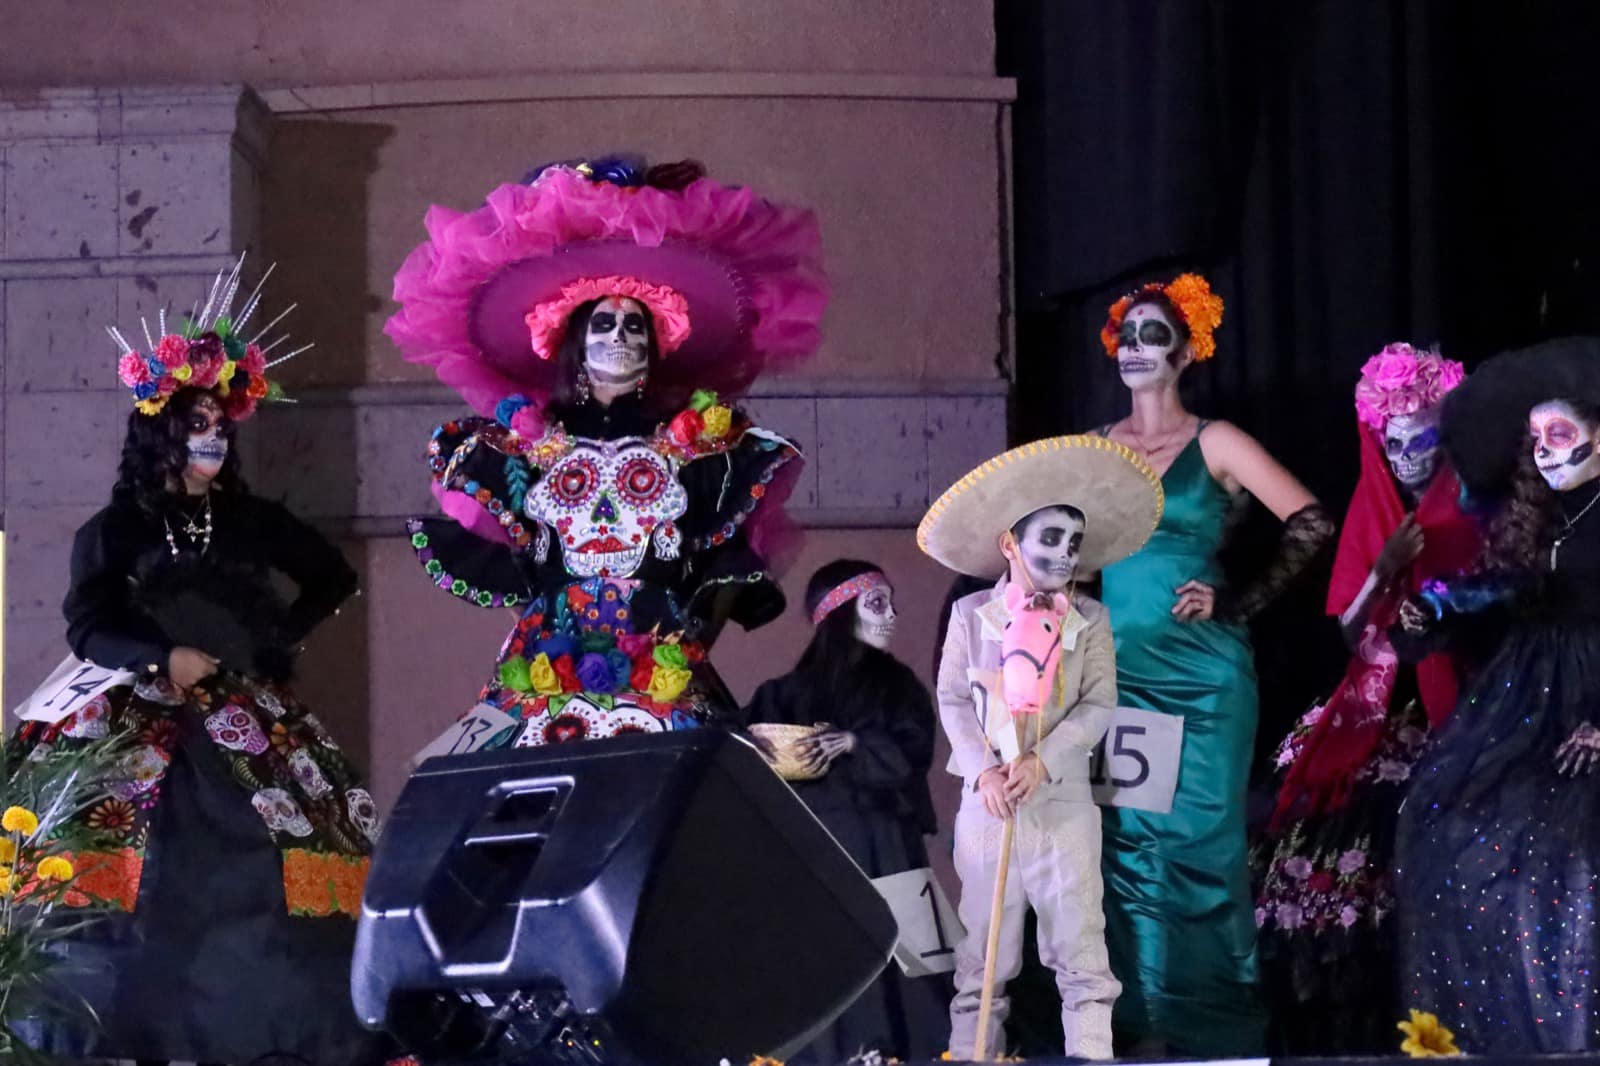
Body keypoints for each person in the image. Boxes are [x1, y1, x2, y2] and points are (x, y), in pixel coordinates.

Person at [10, 266, 387, 1065]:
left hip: (240, 714)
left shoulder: (252, 520)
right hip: (130, 719)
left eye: (220, 423)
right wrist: (161, 656)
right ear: (161, 432)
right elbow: (87, 625)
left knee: (272, 856)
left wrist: (271, 643)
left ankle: (267, 1035)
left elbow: (332, 577)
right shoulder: (116, 528)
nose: (213, 437)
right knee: (117, 868)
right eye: (197, 423)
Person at [385, 157, 826, 746]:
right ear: (573, 340)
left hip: (663, 667)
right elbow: (515, 567)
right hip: (547, 666)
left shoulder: (704, 450)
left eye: (635, 326)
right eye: (603, 325)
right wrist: (547, 622)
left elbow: (723, 569)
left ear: (656, 344)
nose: (619, 336)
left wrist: (685, 647)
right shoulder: (523, 445)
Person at [1091, 272, 1334, 1055]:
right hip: (1122, 675)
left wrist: (1235, 601)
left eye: (1153, 335)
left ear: (1186, 352)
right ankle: (1142, 1025)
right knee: (1129, 844)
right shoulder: (1095, 448)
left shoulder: (1216, 441)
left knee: (1200, 846)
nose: (1136, 348)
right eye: (1127, 336)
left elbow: (1311, 521)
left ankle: (1216, 1030)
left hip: (1204, 679)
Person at [1251, 344, 1480, 1053]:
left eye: (1422, 442)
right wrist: (1384, 570)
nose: (1407, 458)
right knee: (1340, 865)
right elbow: (1352, 633)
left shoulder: (1478, 499)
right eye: (1395, 444)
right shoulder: (1374, 505)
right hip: (1381, 701)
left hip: (1463, 698)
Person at [919, 433, 1165, 1059]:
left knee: (1082, 951)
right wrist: (984, 773)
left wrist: (1043, 760)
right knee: (982, 957)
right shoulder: (970, 615)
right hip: (990, 808)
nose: (1064, 553)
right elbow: (952, 697)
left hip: (1062, 807)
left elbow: (1099, 703)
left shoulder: (1092, 621)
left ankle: (1091, 1055)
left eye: (1073, 542)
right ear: (1011, 543)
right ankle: (972, 1055)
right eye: (1050, 538)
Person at [1394, 337, 1600, 1053]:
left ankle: (1575, 1039)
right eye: (1534, 437)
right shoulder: (1536, 515)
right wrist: (1435, 610)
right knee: (1446, 828)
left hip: (1592, 701)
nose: (1544, 451)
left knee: (1571, 856)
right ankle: (1488, 1041)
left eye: (1560, 433)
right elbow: (1493, 589)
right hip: (1529, 695)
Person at [744, 559, 949, 1062]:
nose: (891, 615)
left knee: (912, 959)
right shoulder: (780, 694)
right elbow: (743, 746)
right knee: (825, 956)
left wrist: (856, 743)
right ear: (839, 613)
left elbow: (915, 751)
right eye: (877, 603)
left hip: (888, 845)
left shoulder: (900, 687)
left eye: (891, 603)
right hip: (817, 851)